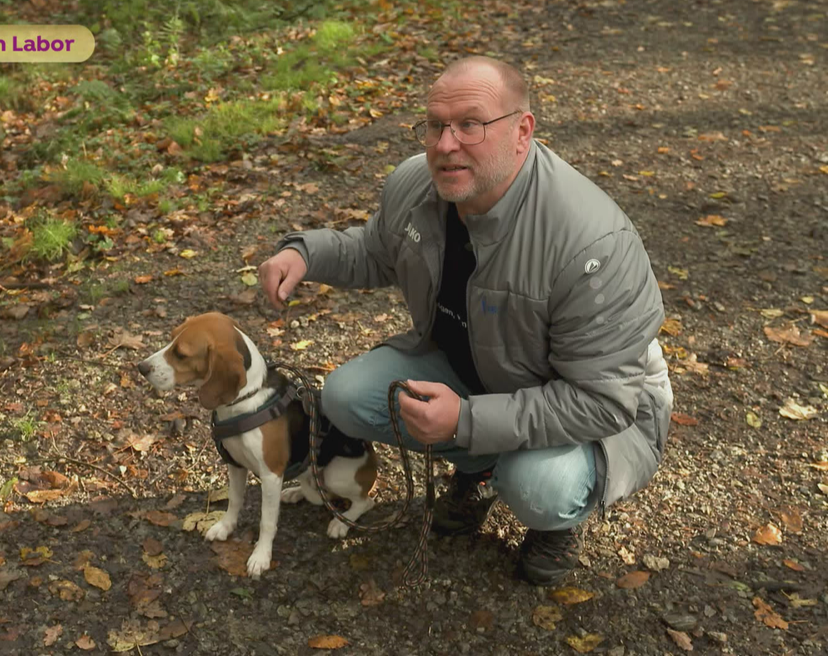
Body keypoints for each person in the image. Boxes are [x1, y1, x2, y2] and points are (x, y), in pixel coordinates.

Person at [258, 56, 673, 586]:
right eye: (435, 125)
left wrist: (464, 422)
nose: (445, 144)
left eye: (471, 124)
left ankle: (558, 518)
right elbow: (375, 251)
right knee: (347, 395)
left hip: (602, 412)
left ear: (522, 131)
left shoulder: (590, 243)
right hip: (480, 369)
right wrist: (305, 255)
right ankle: (479, 468)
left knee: (539, 486)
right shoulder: (418, 185)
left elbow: (603, 400)